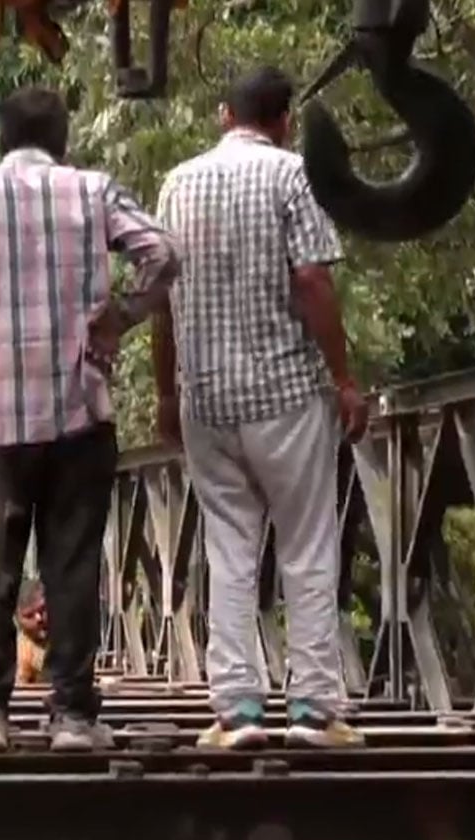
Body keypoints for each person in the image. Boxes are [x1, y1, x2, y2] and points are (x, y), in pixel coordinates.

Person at [0, 86, 179, 755]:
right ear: (63, 136)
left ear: (3, 137)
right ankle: (72, 716)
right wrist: (120, 315)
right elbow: (162, 253)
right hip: (78, 410)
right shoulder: (94, 190)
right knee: (71, 565)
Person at [152, 67, 369, 750]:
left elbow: (159, 298)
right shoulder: (291, 175)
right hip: (284, 395)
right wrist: (343, 378)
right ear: (284, 119)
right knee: (306, 546)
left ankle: (238, 709)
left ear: (225, 115)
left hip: (206, 400)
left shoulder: (177, 183)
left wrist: (165, 390)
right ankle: (311, 709)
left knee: (230, 548)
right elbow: (311, 277)